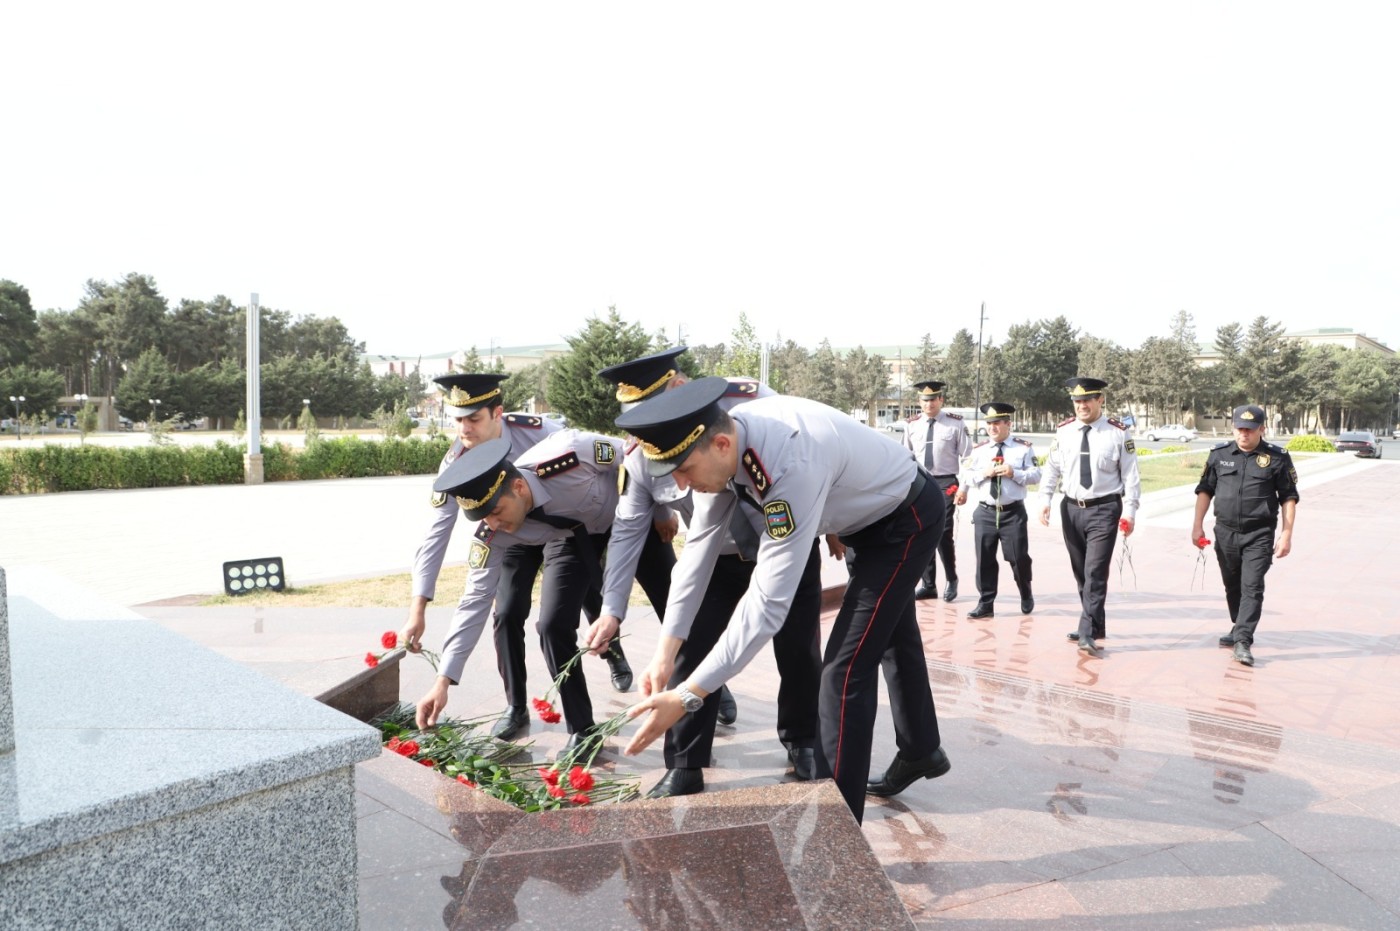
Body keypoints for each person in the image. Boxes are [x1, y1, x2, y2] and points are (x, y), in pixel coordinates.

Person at [618, 377, 949, 823]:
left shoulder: (788, 461)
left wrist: (689, 694)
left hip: (903, 521)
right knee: (890, 635)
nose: (680, 484)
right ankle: (922, 749)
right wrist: (664, 653)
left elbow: (767, 604)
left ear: (718, 444)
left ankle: (839, 828)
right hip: (862, 520)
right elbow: (696, 554)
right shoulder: (731, 449)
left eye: (684, 470)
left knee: (843, 669)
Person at [589, 348, 824, 799]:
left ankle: (803, 741)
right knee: (689, 650)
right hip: (714, 560)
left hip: (784, 546)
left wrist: (832, 524)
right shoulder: (642, 456)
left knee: (798, 648)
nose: (644, 430)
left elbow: (809, 462)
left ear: (677, 390)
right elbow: (627, 532)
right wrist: (612, 609)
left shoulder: (750, 409)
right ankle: (685, 765)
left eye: (651, 412)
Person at [410, 430, 623, 753]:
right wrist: (443, 681)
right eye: (484, 517)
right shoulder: (493, 533)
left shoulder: (568, 455)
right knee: (547, 624)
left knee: (668, 595)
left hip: (622, 523)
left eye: (495, 512)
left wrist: (659, 512)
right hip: (565, 540)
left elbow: (633, 456)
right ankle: (584, 730)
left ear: (519, 487)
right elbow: (472, 603)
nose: (491, 523)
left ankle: (707, 688)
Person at [401, 373, 582, 740]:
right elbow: (436, 535)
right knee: (507, 612)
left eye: (474, 418)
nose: (464, 429)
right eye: (457, 419)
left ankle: (613, 653)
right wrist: (417, 609)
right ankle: (516, 707)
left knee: (578, 602)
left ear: (497, 413)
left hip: (561, 525)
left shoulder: (539, 431)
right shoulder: (455, 464)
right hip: (508, 534)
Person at [1038, 377, 1141, 655]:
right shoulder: (1064, 432)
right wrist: (1045, 499)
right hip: (1071, 508)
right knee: (1082, 571)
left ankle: (1086, 630)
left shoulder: (1118, 433)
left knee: (1095, 571)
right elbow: (1052, 468)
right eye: (1077, 401)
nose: (1081, 405)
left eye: (1087, 400)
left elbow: (1131, 476)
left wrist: (1130, 511)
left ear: (1100, 401)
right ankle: (1095, 623)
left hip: (1104, 509)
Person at [1191, 404, 1299, 667]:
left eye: (1250, 429)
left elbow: (1288, 497)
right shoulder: (1219, 454)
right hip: (1225, 532)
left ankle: (1243, 640)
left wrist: (1286, 534)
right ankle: (1238, 625)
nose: (1244, 434)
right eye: (1240, 428)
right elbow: (1205, 489)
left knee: (1252, 586)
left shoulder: (1277, 457)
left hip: (1259, 534)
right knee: (1233, 584)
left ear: (1262, 429)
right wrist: (1197, 525)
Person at [955, 402, 1040, 618]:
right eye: (989, 424)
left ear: (1007, 424)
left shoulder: (1023, 448)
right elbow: (968, 475)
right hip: (986, 511)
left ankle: (1025, 592)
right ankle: (986, 602)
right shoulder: (979, 450)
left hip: (1012, 512)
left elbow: (1036, 475)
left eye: (997, 423)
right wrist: (984, 473)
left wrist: (1014, 473)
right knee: (984, 559)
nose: (992, 428)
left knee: (1018, 557)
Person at [902, 380, 971, 602]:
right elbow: (905, 457)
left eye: (933, 399)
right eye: (925, 400)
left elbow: (968, 457)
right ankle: (928, 584)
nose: (929, 403)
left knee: (943, 532)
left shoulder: (955, 424)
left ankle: (951, 578)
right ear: (919, 402)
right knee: (921, 531)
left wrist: (965, 487)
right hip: (920, 482)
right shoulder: (911, 425)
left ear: (941, 400)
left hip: (946, 483)